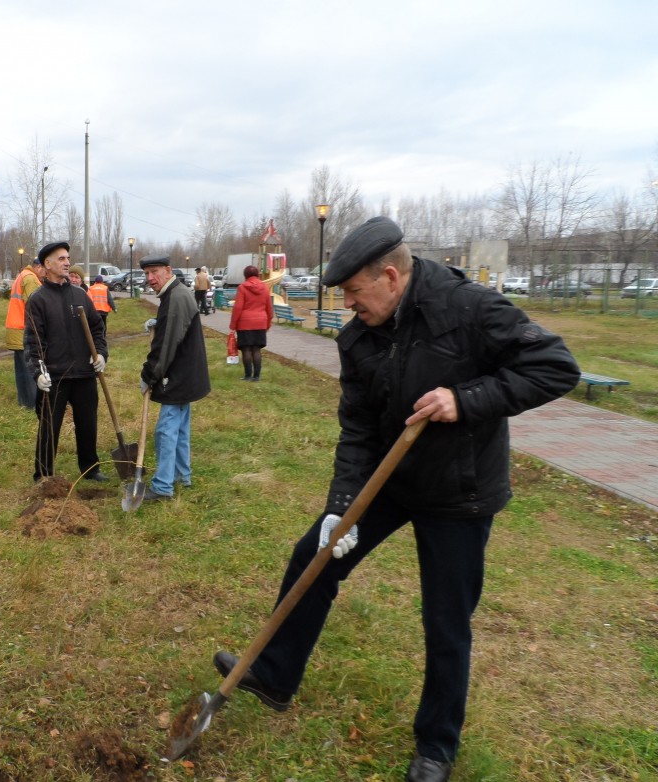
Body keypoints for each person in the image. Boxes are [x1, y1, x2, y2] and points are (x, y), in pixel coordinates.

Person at [213, 216, 580, 781]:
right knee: (313, 557)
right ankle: (275, 676)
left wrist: (468, 397)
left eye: (355, 294)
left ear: (390, 276)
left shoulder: (468, 309)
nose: (349, 305)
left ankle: (436, 746)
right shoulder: (358, 336)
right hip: (388, 481)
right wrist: (341, 504)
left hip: (460, 491)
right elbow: (358, 427)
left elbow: (554, 367)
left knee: (445, 617)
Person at [24, 241, 110, 483]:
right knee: (49, 428)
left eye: (67, 258)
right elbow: (33, 343)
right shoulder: (38, 300)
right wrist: (38, 374)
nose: (66, 262)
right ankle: (43, 473)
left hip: (84, 374)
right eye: (60, 259)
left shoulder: (80, 295)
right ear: (47, 264)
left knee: (88, 424)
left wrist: (101, 354)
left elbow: (97, 329)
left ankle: (90, 468)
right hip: (55, 376)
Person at [139, 254, 210, 501]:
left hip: (178, 376)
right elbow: (172, 329)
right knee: (179, 427)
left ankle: (162, 486)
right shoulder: (175, 293)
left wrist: (148, 375)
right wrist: (159, 321)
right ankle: (182, 475)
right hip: (187, 373)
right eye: (146, 273)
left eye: (154, 272)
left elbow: (166, 346)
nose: (150, 278)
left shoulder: (175, 298)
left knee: (166, 430)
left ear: (168, 270)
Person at [5, 256, 46, 409]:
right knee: (30, 369)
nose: (45, 276)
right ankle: (32, 403)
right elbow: (36, 306)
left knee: (21, 369)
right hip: (23, 330)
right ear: (39, 267)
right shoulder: (31, 279)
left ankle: (23, 401)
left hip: (15, 329)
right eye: (44, 272)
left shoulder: (22, 275)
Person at [228, 264, 273, 381]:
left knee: (246, 349)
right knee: (256, 349)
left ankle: (248, 375)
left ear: (245, 275)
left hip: (244, 323)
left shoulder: (242, 288)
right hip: (260, 322)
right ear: (257, 274)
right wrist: (268, 323)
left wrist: (233, 325)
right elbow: (269, 308)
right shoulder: (265, 288)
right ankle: (257, 376)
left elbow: (238, 308)